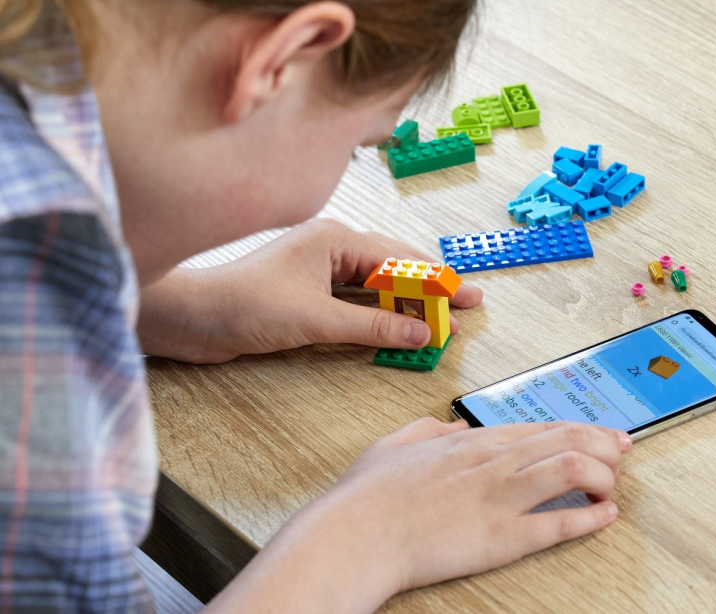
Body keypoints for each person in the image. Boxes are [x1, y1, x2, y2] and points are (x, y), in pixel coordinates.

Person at [0, 0, 631, 611]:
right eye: (358, 143)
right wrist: (372, 537)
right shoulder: (32, 364)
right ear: (282, 62)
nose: (351, 159)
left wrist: (174, 306)